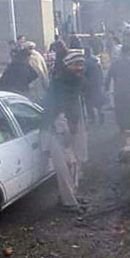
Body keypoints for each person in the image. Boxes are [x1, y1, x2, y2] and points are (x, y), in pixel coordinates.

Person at [40, 51, 86, 213]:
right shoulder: (60, 84)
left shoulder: (74, 82)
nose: (79, 68)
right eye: (76, 65)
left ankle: (70, 195)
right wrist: (64, 130)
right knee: (64, 167)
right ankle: (69, 203)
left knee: (73, 163)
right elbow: (55, 109)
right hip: (55, 129)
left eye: (81, 64)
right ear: (68, 66)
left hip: (67, 127)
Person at [105, 44, 130, 133]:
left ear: (121, 53)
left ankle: (122, 128)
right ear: (129, 52)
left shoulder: (115, 64)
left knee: (120, 111)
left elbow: (108, 78)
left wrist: (106, 89)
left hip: (119, 91)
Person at [84, 47, 105, 124]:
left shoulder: (85, 62)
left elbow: (84, 73)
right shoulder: (96, 60)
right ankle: (100, 112)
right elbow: (101, 71)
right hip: (97, 82)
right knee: (97, 99)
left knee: (88, 101)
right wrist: (102, 81)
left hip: (89, 84)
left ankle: (92, 117)